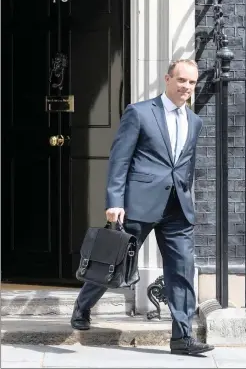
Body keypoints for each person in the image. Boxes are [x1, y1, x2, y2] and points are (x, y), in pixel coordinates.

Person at [71, 59, 214, 355]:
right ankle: (82, 307)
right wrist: (114, 202)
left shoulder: (195, 121)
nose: (186, 87)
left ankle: (182, 337)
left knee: (182, 269)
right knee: (113, 261)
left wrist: (188, 196)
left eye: (191, 82)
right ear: (167, 79)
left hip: (177, 209)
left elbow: (186, 165)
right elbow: (120, 159)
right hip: (139, 203)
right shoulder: (139, 112)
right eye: (181, 80)